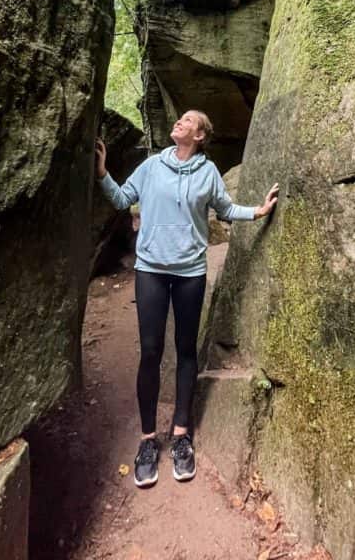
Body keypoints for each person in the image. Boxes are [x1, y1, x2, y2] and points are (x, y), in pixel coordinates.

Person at [95, 109, 278, 488]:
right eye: (180, 118)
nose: (180, 121)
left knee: (186, 350)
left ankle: (181, 435)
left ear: (200, 136)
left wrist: (258, 211)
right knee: (150, 350)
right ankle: (148, 440)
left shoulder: (208, 173)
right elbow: (122, 199)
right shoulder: (151, 166)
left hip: (190, 272)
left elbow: (225, 209)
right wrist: (102, 173)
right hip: (151, 270)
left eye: (189, 120)